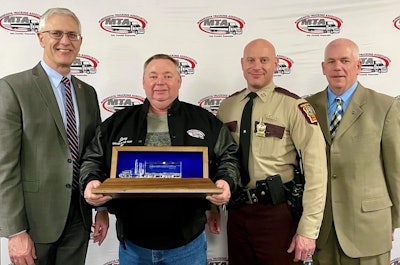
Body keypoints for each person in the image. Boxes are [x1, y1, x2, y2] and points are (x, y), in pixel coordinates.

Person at [80, 53, 240, 265]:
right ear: (144, 82)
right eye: (153, 76)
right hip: (134, 246)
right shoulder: (118, 123)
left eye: (168, 75)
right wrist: (90, 182)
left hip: (187, 246)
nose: (160, 82)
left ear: (179, 80)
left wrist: (225, 182)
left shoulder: (204, 121)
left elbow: (229, 157)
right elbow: (92, 159)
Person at [0, 8, 108, 265]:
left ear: (80, 42)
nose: (65, 41)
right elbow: (5, 165)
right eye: (56, 33)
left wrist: (102, 209)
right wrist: (15, 231)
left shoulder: (87, 93)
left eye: (72, 35)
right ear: (40, 38)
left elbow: (96, 154)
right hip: (35, 223)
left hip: (79, 218)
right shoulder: (13, 88)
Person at [214, 38, 328, 264]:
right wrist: (211, 208)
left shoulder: (294, 106)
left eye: (264, 60)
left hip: (277, 214)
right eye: (251, 60)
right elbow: (218, 161)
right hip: (236, 213)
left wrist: (308, 229)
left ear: (276, 64)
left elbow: (317, 170)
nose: (257, 66)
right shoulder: (227, 107)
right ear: (242, 63)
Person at [306, 38, 400, 265]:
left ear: (358, 66)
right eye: (331, 61)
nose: (338, 67)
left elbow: (396, 170)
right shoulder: (307, 106)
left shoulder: (385, 107)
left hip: (369, 231)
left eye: (345, 60)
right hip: (324, 232)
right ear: (323, 67)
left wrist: (392, 222)